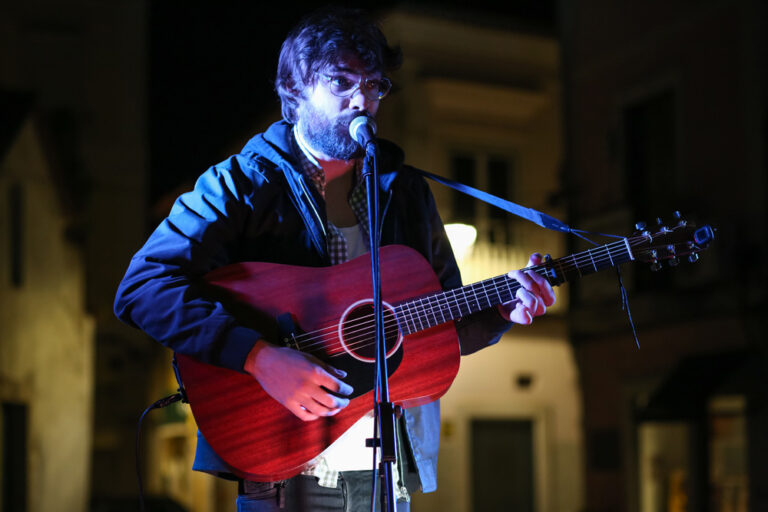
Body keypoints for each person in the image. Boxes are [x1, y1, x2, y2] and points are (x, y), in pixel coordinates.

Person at [114, 6, 555, 512]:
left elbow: (441, 327)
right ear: (296, 92)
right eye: (341, 82)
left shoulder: (406, 192)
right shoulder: (239, 184)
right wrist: (258, 356)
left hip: (387, 473)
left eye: (374, 85)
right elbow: (142, 287)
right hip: (284, 472)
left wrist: (502, 310)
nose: (361, 100)